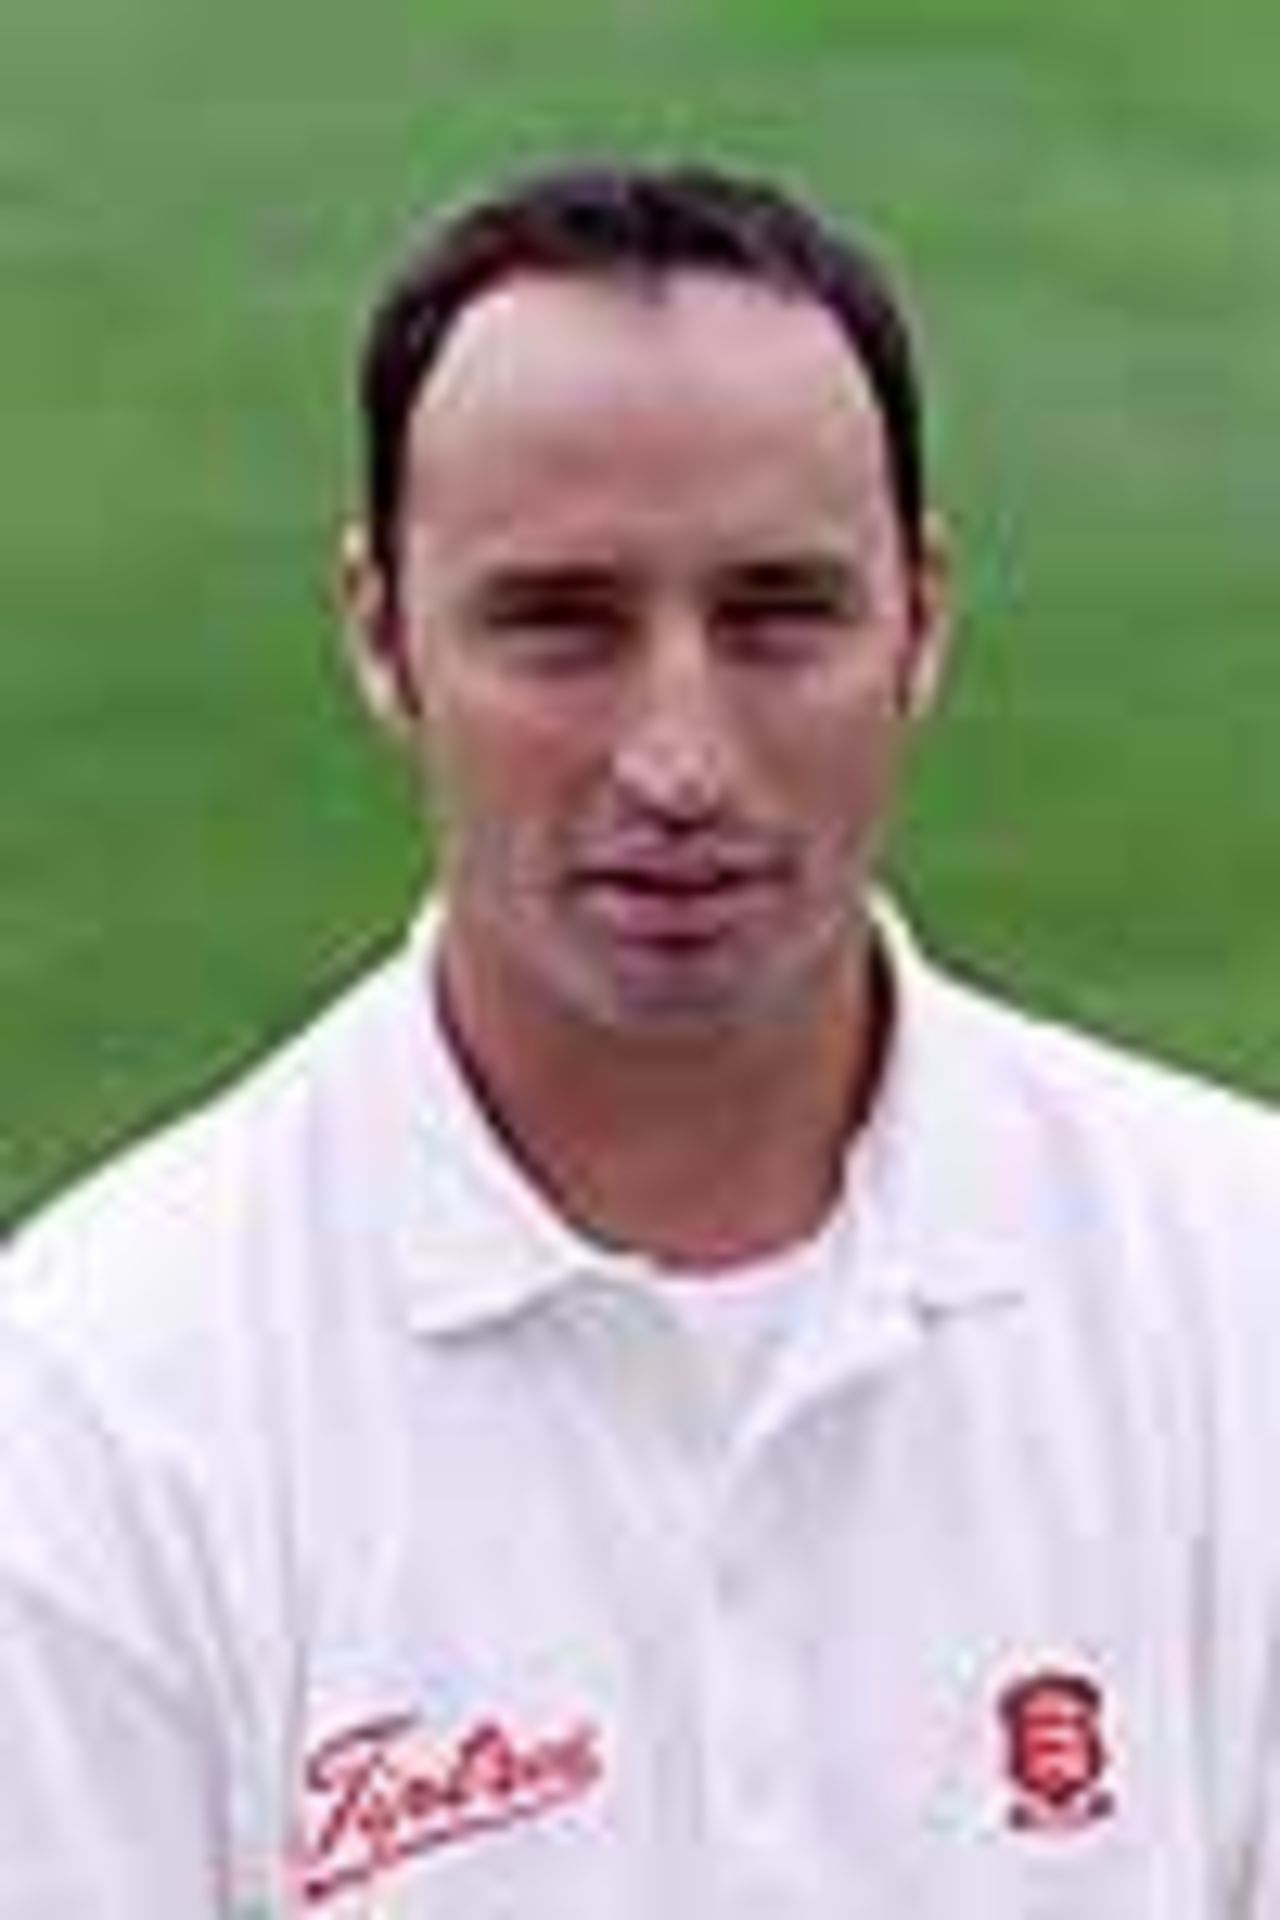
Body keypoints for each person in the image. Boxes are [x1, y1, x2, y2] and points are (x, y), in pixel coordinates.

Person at [1, 159, 1278, 1920]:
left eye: (776, 618)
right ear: (382, 636)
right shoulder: (90, 1399)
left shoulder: (1238, 1288)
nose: (677, 760)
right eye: (562, 625)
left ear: (922, 620)